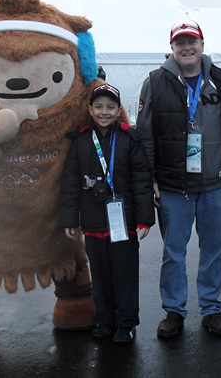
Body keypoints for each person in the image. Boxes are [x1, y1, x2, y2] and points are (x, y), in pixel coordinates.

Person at [135, 20, 221, 338]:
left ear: (202, 44)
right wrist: (150, 180)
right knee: (174, 252)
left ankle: (211, 309)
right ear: (172, 48)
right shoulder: (155, 82)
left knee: (214, 249)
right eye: (180, 43)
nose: (187, 47)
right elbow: (145, 135)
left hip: (216, 185)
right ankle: (174, 311)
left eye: (191, 41)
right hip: (172, 187)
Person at [60, 84, 154, 345]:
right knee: (99, 276)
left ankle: (126, 323)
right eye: (99, 107)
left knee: (125, 274)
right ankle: (104, 319)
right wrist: (69, 219)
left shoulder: (129, 138)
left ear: (118, 110)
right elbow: (69, 184)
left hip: (123, 221)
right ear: (90, 110)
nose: (104, 112)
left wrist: (144, 219)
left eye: (110, 107)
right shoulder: (79, 141)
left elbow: (142, 181)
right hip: (92, 223)